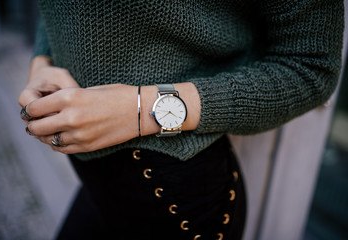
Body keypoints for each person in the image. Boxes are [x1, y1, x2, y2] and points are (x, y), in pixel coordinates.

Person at [18, 1, 344, 239]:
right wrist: (42, 61)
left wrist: (142, 109)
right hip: (100, 188)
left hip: (175, 196)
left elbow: (310, 67)